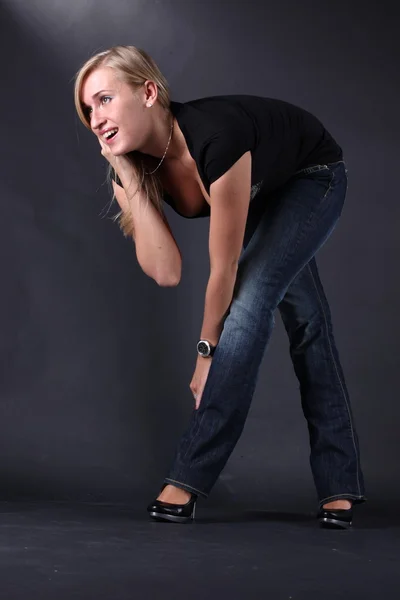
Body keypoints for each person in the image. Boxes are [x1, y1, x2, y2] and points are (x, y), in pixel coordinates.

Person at [74, 45, 365, 528]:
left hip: (311, 177)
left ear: (148, 92)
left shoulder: (216, 138)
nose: (95, 118)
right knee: (307, 322)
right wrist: (126, 174)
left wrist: (207, 353)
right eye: (88, 109)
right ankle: (341, 485)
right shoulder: (127, 166)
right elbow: (166, 271)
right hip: (261, 189)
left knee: (251, 302)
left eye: (104, 99)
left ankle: (186, 478)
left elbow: (224, 270)